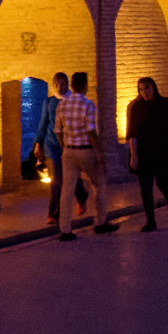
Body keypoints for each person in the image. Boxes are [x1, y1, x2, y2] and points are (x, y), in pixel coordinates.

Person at [56, 70, 117, 241]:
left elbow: (58, 131)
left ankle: (65, 229)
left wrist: (64, 147)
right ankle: (100, 222)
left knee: (67, 190)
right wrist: (98, 151)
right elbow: (91, 131)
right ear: (85, 86)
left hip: (68, 151)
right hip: (86, 150)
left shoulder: (62, 105)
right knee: (99, 183)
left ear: (72, 85)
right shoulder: (88, 105)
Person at [125, 76, 168, 231]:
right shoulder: (136, 107)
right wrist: (133, 156)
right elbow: (132, 133)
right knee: (145, 187)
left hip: (163, 151)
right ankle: (150, 220)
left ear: (154, 88)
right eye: (141, 89)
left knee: (164, 182)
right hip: (144, 153)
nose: (144, 92)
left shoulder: (165, 104)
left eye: (147, 88)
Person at [36, 72, 90, 223]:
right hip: (52, 145)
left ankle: (81, 195)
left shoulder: (73, 101)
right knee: (57, 180)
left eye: (62, 84)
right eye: (56, 85)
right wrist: (38, 143)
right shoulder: (49, 102)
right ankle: (54, 214)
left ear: (68, 85)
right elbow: (43, 123)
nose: (59, 88)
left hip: (70, 144)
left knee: (72, 176)